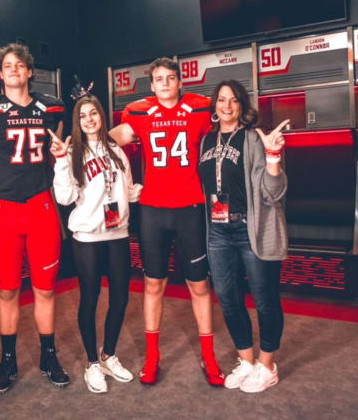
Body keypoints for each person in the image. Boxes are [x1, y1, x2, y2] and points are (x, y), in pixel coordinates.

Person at [109, 57, 225, 386]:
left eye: (170, 78)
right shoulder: (139, 112)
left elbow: (229, 120)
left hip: (190, 208)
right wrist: (127, 183)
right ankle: (152, 356)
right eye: (158, 79)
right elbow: (106, 141)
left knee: (199, 285)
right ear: (152, 84)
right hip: (153, 210)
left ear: (179, 82)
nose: (164, 84)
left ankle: (209, 356)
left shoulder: (201, 108)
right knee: (153, 283)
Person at [0, 43, 69, 394]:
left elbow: (60, 157)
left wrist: (61, 157)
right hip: (3, 208)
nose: (12, 69)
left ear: (29, 71)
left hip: (40, 205)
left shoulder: (52, 107)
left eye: (18, 65)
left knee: (45, 289)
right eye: (6, 65)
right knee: (7, 289)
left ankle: (48, 355)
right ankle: (7, 359)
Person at [198, 79, 288, 393]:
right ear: (214, 106)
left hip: (250, 228)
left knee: (264, 300)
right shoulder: (206, 141)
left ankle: (267, 365)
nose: (226, 106)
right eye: (221, 100)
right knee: (228, 299)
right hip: (218, 231)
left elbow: (272, 193)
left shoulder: (252, 139)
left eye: (233, 100)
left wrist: (273, 156)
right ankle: (246, 360)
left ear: (242, 105)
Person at [50, 92, 142, 393]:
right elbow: (64, 197)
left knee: (120, 299)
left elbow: (126, 189)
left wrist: (135, 193)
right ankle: (92, 363)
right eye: (83, 116)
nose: (89, 119)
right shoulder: (74, 151)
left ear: (101, 116)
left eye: (94, 113)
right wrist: (61, 161)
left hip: (118, 234)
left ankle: (108, 355)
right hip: (88, 237)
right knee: (89, 300)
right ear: (78, 122)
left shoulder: (115, 148)